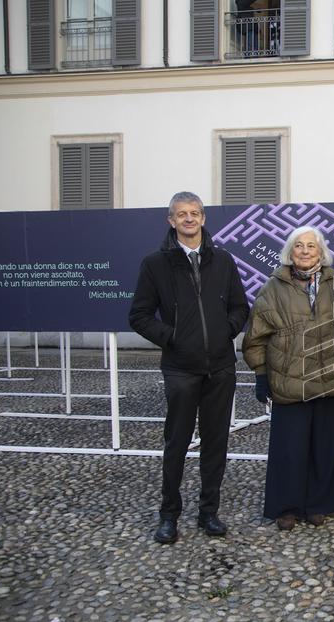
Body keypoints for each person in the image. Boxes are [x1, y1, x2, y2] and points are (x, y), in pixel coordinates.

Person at [128, 191, 250, 544]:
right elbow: (138, 315)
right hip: (180, 368)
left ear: (203, 218)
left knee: (216, 443)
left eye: (194, 213)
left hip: (221, 367)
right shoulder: (156, 263)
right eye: (181, 214)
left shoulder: (223, 260)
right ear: (171, 220)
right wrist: (173, 337)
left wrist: (227, 330)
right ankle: (169, 515)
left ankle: (208, 512)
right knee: (177, 443)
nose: (189, 219)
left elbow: (241, 307)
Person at [242, 226, 334, 531]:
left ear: (321, 252)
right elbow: (256, 336)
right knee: (289, 450)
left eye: (311, 246)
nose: (304, 251)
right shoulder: (273, 287)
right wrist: (261, 374)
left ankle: (319, 504)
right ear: (290, 252)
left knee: (326, 447)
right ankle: (286, 507)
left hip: (330, 379)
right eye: (298, 246)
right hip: (290, 380)